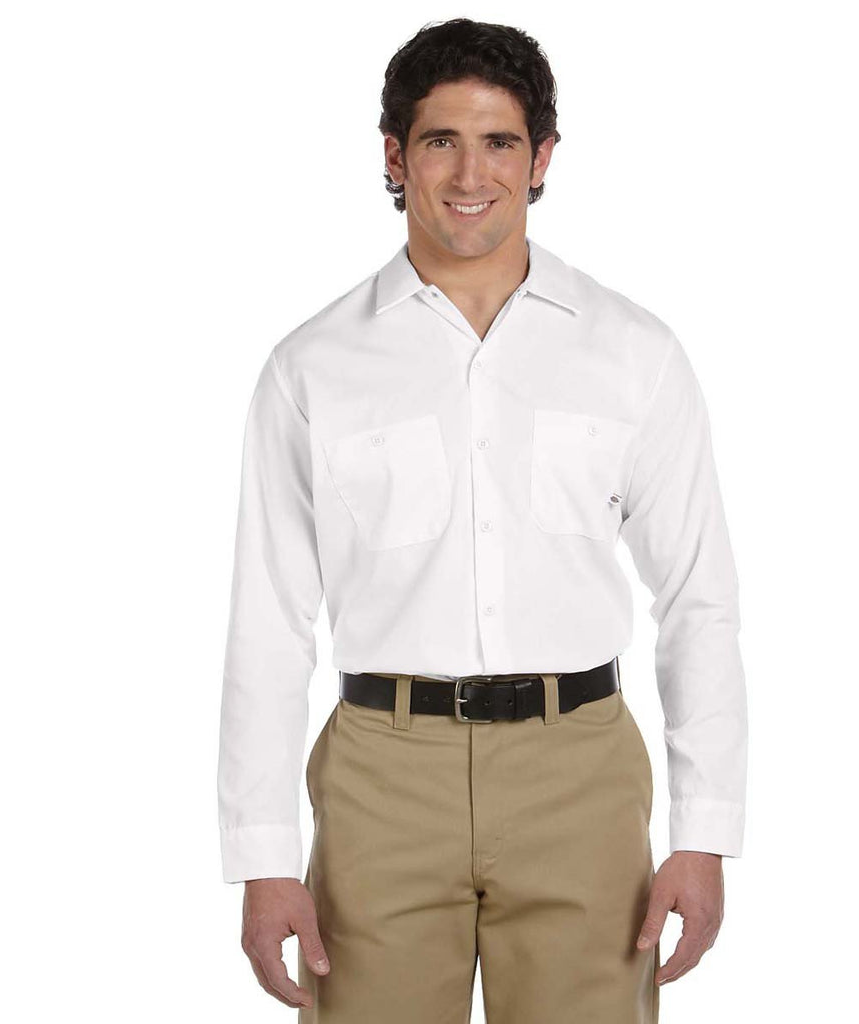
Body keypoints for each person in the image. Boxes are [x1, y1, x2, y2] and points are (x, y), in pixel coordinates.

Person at [217, 17, 747, 1023]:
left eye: (500, 141)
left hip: (581, 775)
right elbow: (269, 619)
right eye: (440, 141)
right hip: (380, 779)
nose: (471, 173)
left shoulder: (633, 352)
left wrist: (704, 830)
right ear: (394, 156)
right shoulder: (311, 367)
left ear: (541, 158)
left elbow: (697, 597)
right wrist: (263, 855)